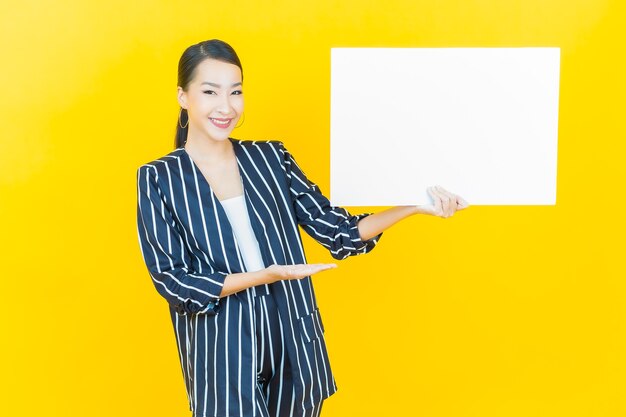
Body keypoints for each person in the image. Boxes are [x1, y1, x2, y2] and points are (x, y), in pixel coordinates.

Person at [136, 39, 469, 417]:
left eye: (236, 91)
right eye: (210, 91)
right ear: (183, 96)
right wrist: (263, 276)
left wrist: (417, 207)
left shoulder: (271, 158)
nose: (226, 106)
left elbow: (338, 232)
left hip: (293, 338)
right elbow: (174, 281)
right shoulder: (159, 177)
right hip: (222, 345)